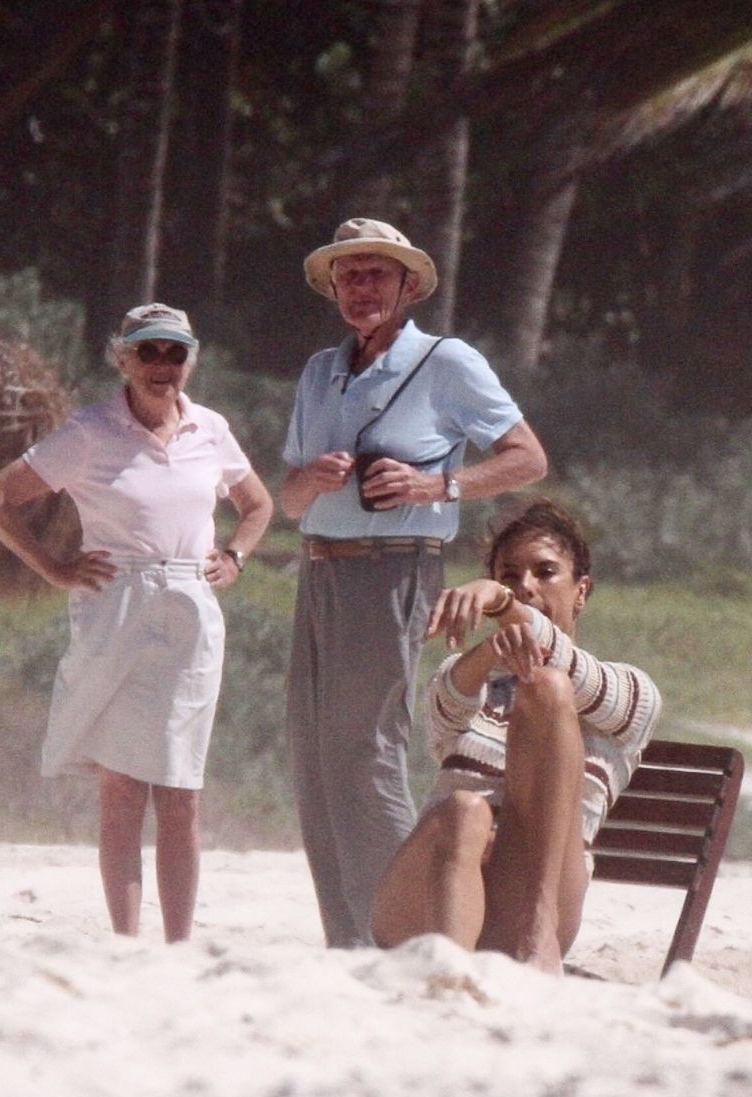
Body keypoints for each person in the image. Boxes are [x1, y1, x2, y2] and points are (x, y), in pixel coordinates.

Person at [281, 217, 549, 948]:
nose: (361, 287)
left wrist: (437, 485)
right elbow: (290, 502)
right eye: (349, 275)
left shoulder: (445, 361)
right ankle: (350, 940)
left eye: (376, 273)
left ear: (408, 285)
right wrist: (311, 479)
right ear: (333, 287)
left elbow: (527, 458)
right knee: (314, 758)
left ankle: (412, 934)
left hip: (393, 567)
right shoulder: (320, 371)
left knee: (365, 751)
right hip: (319, 569)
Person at [0, 303, 274, 942]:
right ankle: (126, 943)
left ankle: (179, 944)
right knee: (122, 786)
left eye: (175, 352)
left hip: (190, 607)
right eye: (148, 351)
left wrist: (234, 557)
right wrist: (54, 568)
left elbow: (257, 504)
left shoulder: (211, 430)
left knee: (181, 788)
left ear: (190, 360)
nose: (162, 365)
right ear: (123, 359)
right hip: (116, 605)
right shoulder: (89, 432)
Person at [370, 502, 660, 973]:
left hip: (527, 895)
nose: (525, 586)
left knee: (548, 688)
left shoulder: (631, 693)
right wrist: (489, 650)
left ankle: (536, 925)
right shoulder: (467, 680)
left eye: (545, 572)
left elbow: (565, 669)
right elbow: (447, 706)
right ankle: (453, 976)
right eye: (509, 576)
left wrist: (504, 605)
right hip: (429, 897)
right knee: (464, 810)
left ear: (582, 591)